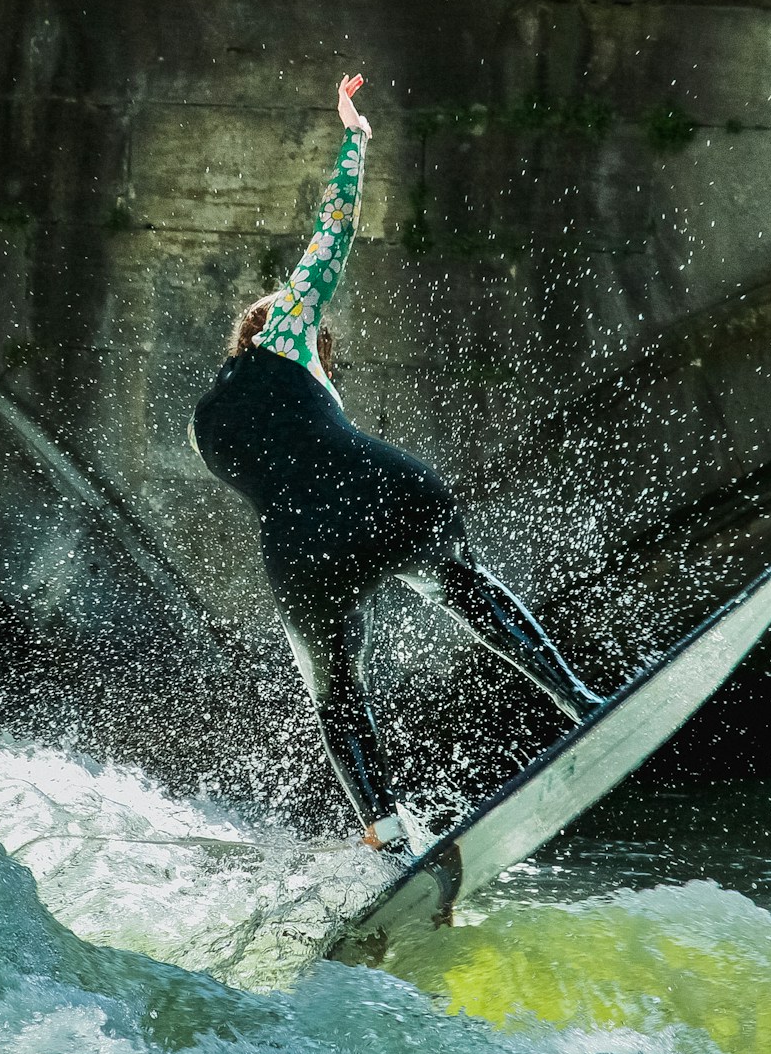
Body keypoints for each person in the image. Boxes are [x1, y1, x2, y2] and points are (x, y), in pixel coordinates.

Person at [189, 74, 602, 854]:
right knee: (461, 586)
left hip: (299, 558)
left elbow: (285, 467)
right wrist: (355, 140)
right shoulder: (290, 331)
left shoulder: (206, 421)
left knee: (336, 693)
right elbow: (332, 234)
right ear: (282, 328)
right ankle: (579, 701)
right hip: (384, 495)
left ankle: (386, 835)